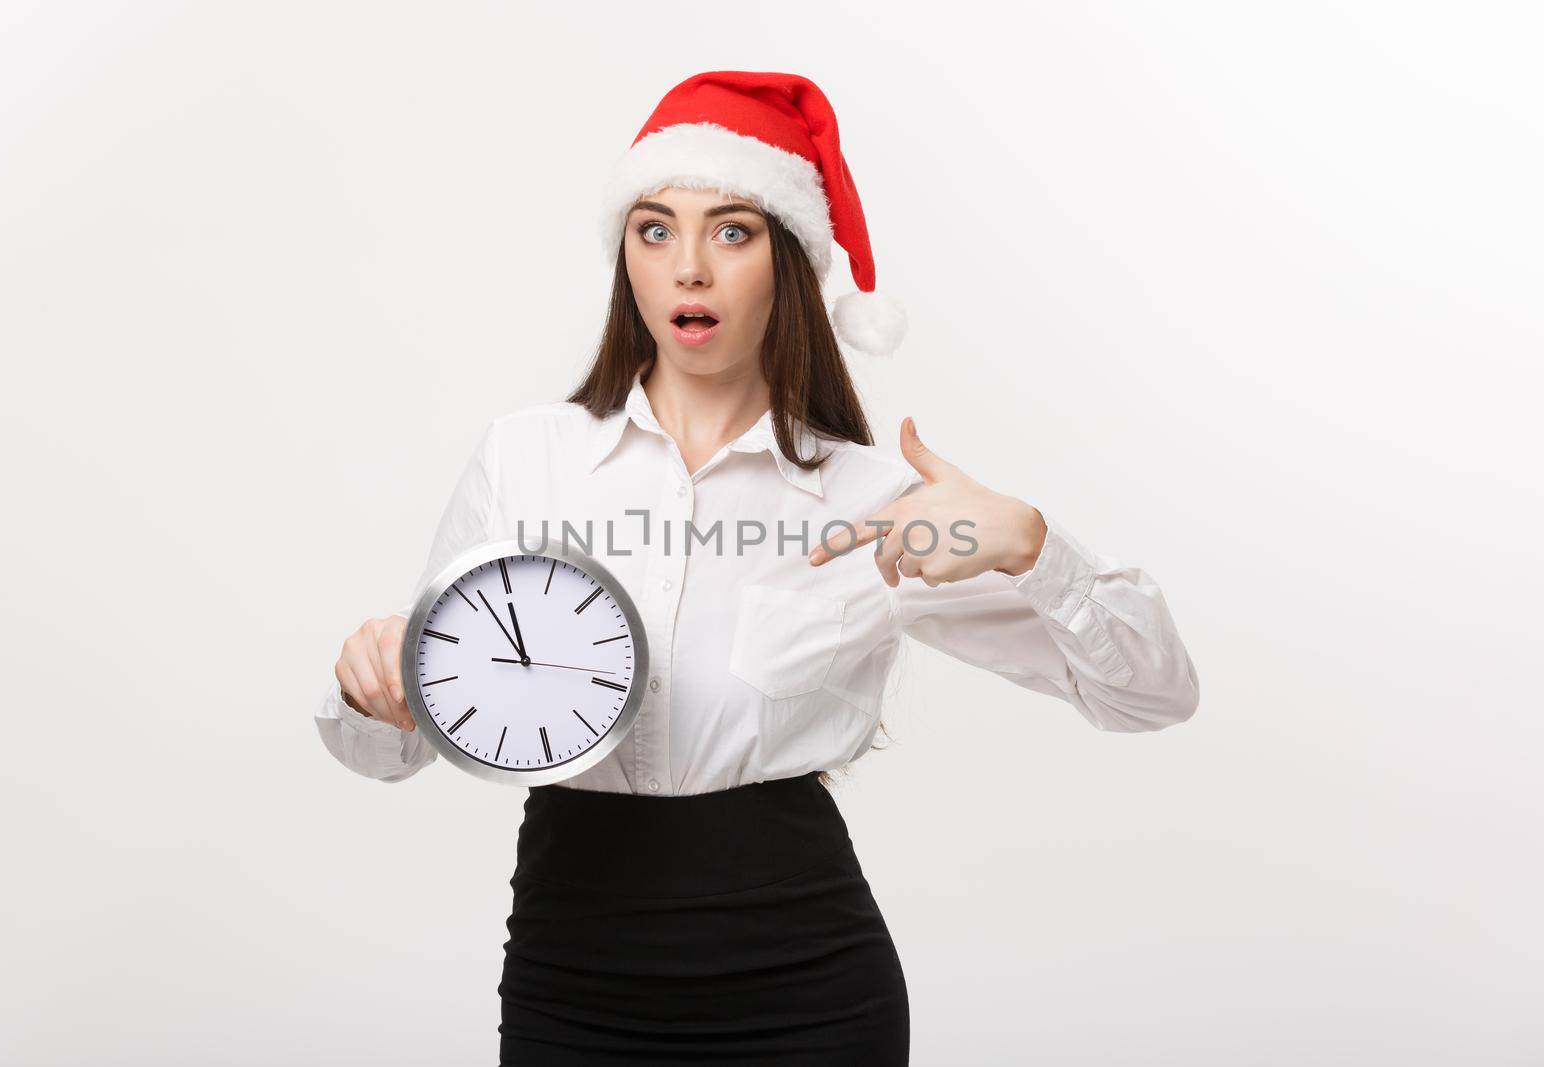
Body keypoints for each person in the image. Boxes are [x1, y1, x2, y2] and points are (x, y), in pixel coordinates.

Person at [314, 70, 1200, 1065]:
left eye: (731, 231)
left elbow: (1151, 696)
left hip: (804, 983)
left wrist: (1036, 544)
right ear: (627, 258)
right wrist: (373, 686)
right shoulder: (530, 458)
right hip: (573, 971)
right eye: (654, 230)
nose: (688, 267)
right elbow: (395, 746)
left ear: (786, 259)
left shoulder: (875, 503)